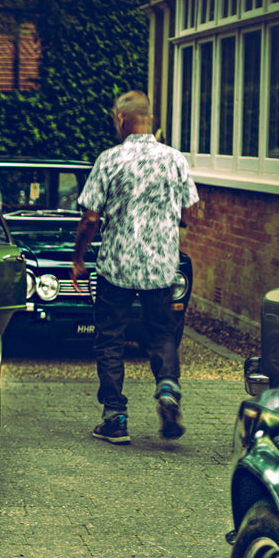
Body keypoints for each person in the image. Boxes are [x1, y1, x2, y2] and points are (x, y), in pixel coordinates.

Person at [70, 90, 199, 445]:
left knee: (109, 338)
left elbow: (90, 217)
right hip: (160, 265)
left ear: (122, 119)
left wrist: (79, 258)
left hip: (116, 265)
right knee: (161, 333)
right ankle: (168, 388)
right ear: (149, 120)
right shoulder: (175, 160)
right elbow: (189, 212)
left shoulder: (110, 160)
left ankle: (115, 417)